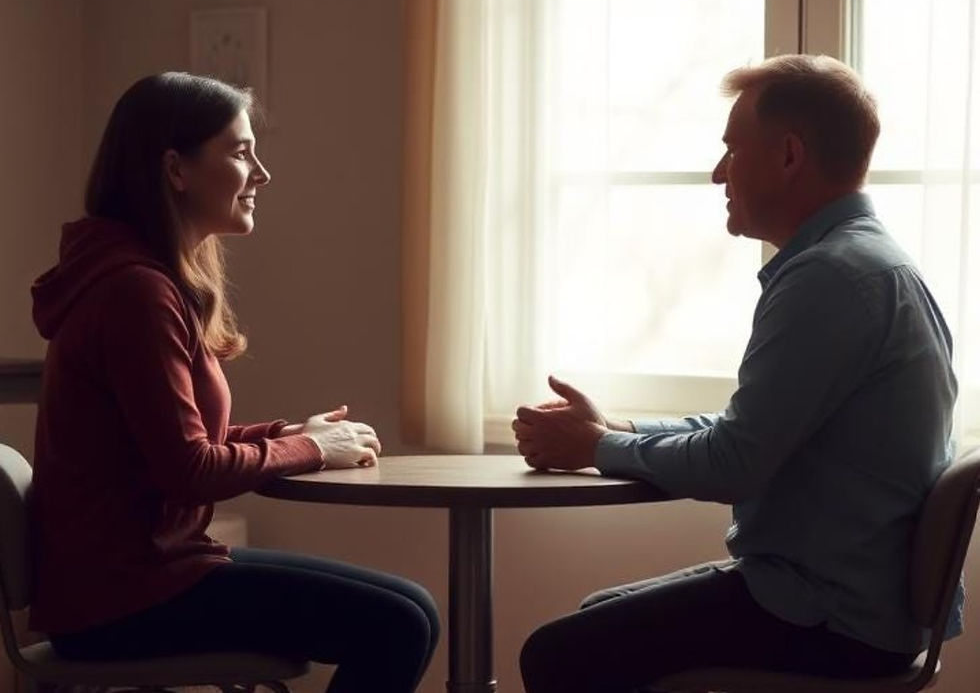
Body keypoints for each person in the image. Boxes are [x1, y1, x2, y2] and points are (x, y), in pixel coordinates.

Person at [513, 54, 962, 692]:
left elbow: (734, 463)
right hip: (852, 601)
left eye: (732, 149)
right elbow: (745, 430)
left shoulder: (831, 278)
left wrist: (598, 447)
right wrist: (619, 427)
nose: (718, 172)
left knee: (557, 655)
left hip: (831, 616)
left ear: (788, 156)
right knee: (594, 624)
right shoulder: (865, 263)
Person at [29, 72, 438, 693]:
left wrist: (293, 435)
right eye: (241, 151)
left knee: (417, 610)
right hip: (122, 600)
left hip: (147, 575)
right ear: (176, 169)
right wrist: (307, 450)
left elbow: (170, 440)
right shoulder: (134, 292)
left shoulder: (141, 280)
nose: (261, 174)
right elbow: (189, 469)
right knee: (398, 625)